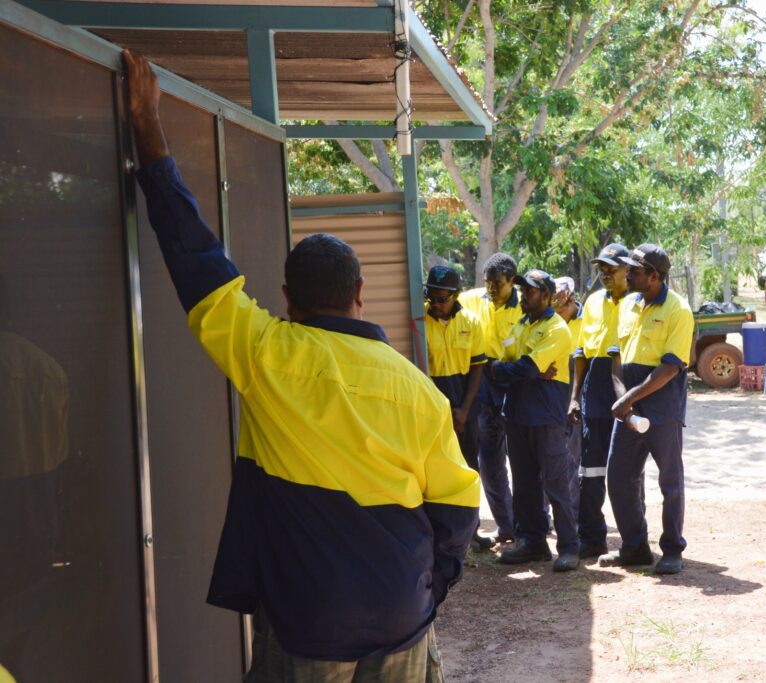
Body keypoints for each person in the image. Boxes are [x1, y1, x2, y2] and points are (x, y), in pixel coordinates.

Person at [123, 51, 480, 680]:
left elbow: (197, 263)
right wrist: (426, 590)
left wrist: (150, 137)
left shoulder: (268, 356)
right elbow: (456, 512)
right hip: (404, 612)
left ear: (288, 299)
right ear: (360, 293)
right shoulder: (418, 391)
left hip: (313, 621)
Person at [599, 245, 694, 575]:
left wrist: (629, 399)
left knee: (669, 481)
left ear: (655, 276)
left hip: (662, 407)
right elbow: (616, 359)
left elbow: (669, 368)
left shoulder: (678, 311)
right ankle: (634, 547)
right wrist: (623, 401)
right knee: (619, 478)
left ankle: (672, 549)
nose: (628, 275)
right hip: (629, 407)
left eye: (635, 271)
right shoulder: (627, 304)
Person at [489, 270, 580, 571]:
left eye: (529, 291)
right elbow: (499, 366)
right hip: (517, 417)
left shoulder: (557, 329)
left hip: (545, 420)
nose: (523, 296)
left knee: (556, 484)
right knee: (525, 486)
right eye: (522, 291)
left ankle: (568, 547)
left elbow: (520, 369)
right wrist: (522, 369)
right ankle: (532, 543)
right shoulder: (521, 324)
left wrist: (522, 369)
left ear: (546, 295)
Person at [568, 243, 631, 559]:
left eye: (611, 267)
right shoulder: (592, 302)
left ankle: (634, 541)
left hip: (628, 392)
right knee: (589, 471)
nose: (605, 273)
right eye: (602, 268)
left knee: (626, 472)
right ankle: (591, 537)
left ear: (627, 269)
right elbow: (581, 353)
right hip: (594, 393)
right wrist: (574, 397)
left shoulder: (638, 303)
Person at [424, 264, 493, 551]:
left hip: (464, 398)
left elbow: (477, 369)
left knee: (467, 467)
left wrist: (464, 410)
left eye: (443, 299)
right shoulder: (419, 321)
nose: (437, 305)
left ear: (457, 295)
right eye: (432, 298)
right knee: (433, 468)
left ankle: (471, 531)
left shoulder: (472, 322)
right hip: (432, 397)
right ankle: (436, 532)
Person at [460, 255, 521, 545]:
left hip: (518, 381)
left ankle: (534, 521)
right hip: (483, 382)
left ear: (512, 280)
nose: (491, 289)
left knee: (525, 458)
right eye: (487, 283)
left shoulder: (526, 306)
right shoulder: (472, 300)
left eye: (497, 283)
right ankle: (507, 525)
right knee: (489, 461)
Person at [552, 276, 583, 518]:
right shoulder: (550, 320)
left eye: (561, 307)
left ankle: (572, 511)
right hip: (553, 392)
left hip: (576, 394)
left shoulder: (586, 320)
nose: (557, 313)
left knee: (573, 456)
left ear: (572, 299)